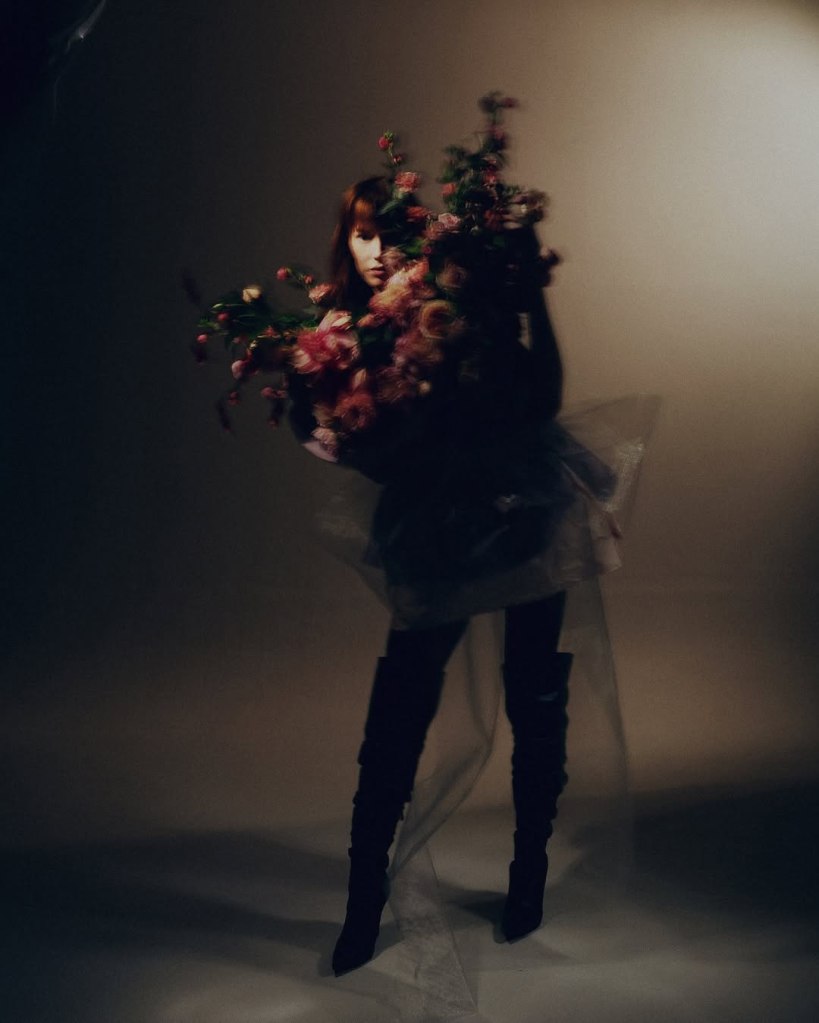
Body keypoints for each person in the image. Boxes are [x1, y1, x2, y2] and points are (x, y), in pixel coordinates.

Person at [292, 177, 587, 976]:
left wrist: (527, 296)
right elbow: (343, 434)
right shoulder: (350, 328)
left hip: (521, 501)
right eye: (360, 231)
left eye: (389, 231)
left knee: (534, 688)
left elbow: (540, 395)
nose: (376, 247)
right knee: (403, 695)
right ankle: (363, 897)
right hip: (436, 518)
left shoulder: (455, 297)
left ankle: (527, 872)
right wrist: (339, 423)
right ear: (344, 240)